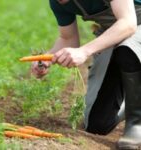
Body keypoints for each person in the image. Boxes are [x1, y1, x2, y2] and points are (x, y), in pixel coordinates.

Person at [31, 0, 141, 149]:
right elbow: (68, 38)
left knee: (127, 50)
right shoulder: (58, 3)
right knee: (98, 124)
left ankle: (136, 123)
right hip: (116, 34)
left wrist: (84, 51)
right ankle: (133, 100)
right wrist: (47, 59)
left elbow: (128, 23)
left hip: (130, 26)